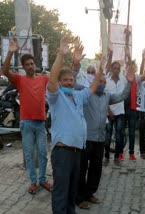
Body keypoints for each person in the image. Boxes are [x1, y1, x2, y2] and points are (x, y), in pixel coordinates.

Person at [47, 37, 102, 214]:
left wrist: (102, 67)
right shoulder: (56, 97)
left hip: (77, 152)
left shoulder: (78, 96)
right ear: (61, 82)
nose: (70, 82)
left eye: (71, 80)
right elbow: (52, 80)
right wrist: (61, 55)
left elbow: (92, 87)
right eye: (66, 80)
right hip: (62, 152)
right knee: (61, 193)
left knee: (71, 193)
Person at [76, 59, 134, 209]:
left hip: (100, 139)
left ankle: (90, 193)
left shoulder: (107, 96)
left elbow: (121, 96)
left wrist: (129, 83)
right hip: (86, 138)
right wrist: (75, 64)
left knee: (96, 168)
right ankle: (80, 197)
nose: (102, 84)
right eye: (99, 81)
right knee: (82, 169)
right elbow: (73, 84)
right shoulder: (86, 93)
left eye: (103, 82)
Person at [2, 37, 52, 194]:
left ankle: (42, 180)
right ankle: (32, 181)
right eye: (27, 64)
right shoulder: (20, 79)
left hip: (40, 123)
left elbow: (57, 77)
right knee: (29, 155)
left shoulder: (44, 79)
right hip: (27, 123)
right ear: (23, 67)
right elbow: (4, 71)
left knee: (43, 154)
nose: (31, 66)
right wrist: (10, 52)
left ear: (35, 65)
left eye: (32, 63)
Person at [105, 61, 127, 164]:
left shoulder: (122, 81)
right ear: (111, 69)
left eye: (118, 69)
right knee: (108, 136)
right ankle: (106, 157)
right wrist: (109, 111)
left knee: (119, 136)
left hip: (120, 112)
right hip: (109, 113)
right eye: (114, 68)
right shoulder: (107, 81)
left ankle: (117, 157)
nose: (116, 70)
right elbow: (105, 98)